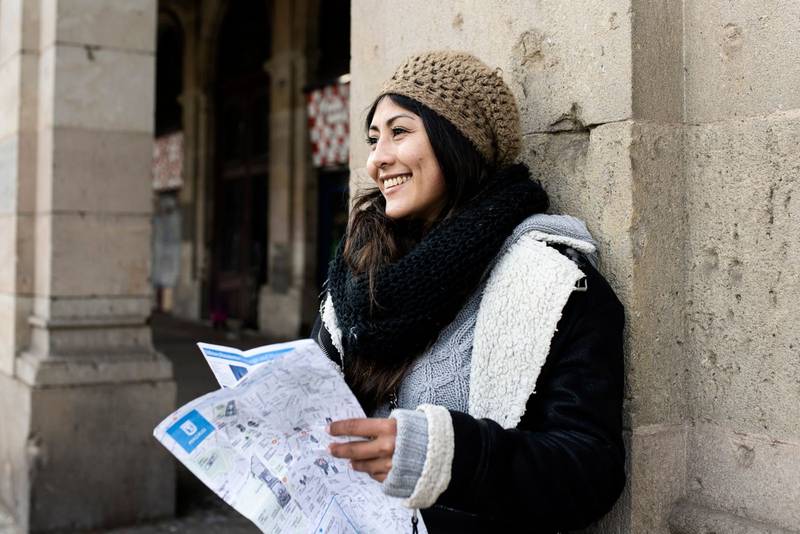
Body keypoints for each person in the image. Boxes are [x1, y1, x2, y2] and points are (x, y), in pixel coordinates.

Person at [311, 50, 625, 533]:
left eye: (399, 132)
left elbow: (588, 470)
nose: (377, 160)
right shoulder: (356, 276)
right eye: (373, 139)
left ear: (457, 140)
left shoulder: (552, 283)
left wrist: (446, 456)